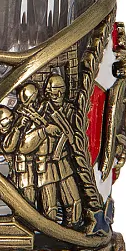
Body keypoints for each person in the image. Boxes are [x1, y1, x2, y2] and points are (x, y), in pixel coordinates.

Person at [19, 74, 82, 227]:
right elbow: (24, 146)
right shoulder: (40, 112)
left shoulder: (70, 111)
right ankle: (50, 234)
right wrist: (44, 131)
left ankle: (72, 233)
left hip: (65, 161)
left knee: (75, 203)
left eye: (61, 91)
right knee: (50, 209)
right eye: (54, 92)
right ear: (48, 93)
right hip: (45, 165)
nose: (58, 95)